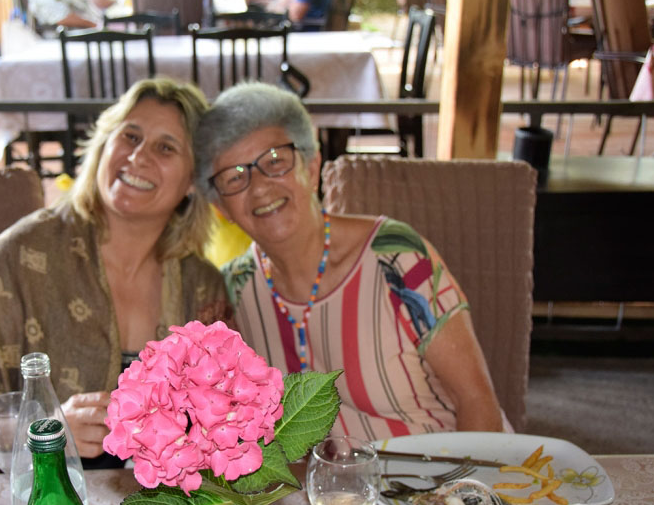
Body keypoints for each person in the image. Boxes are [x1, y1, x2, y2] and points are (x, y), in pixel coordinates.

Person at [0, 78, 232, 470]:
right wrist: (41, 434)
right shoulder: (27, 255)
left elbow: (225, 426)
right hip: (31, 497)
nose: (138, 156)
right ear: (104, 146)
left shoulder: (202, 288)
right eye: (130, 136)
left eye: (166, 147)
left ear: (193, 182)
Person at [194, 82, 507, 441]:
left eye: (275, 162)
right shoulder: (232, 294)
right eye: (235, 177)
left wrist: (460, 479)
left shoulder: (395, 258)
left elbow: (477, 402)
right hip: (326, 479)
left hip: (444, 467)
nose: (260, 186)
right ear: (220, 207)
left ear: (312, 168)